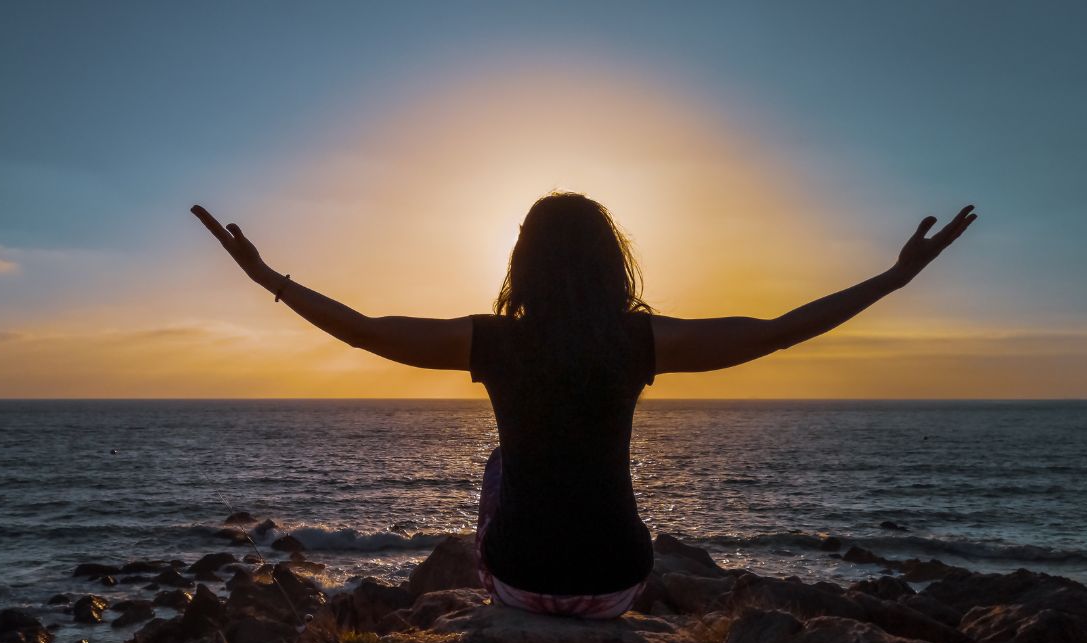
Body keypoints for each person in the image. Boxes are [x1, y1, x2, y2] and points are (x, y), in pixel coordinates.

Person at [191, 193, 976, 619]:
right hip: (617, 583)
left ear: (523, 263)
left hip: (519, 579)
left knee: (501, 463)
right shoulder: (636, 343)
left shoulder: (495, 342)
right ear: (611, 261)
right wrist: (892, 279)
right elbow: (773, 334)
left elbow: (364, 333)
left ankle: (503, 595)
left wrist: (268, 277)